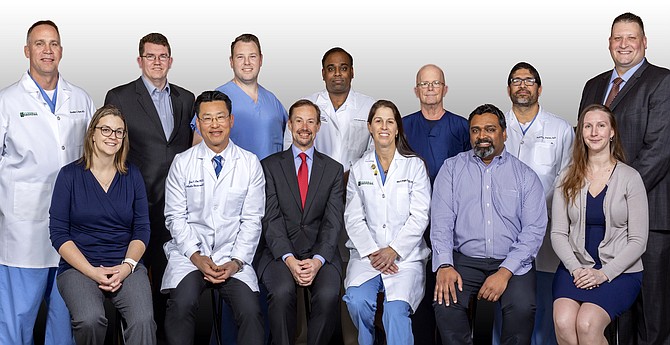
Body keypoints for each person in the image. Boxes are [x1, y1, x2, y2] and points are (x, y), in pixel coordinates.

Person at [0, 20, 95, 345]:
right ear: (27, 51)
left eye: (53, 43)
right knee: (18, 318)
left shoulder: (81, 98)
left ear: (61, 51)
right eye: (39, 44)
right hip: (23, 229)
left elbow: (98, 161)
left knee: (66, 317)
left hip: (73, 229)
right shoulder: (8, 101)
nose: (47, 50)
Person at [578, 12, 670, 344]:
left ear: (644, 43)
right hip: (603, 222)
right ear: (609, 44)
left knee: (653, 314)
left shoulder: (662, 81)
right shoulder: (593, 86)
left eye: (631, 38)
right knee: (617, 312)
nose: (624, 44)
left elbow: (659, 150)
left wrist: (614, 195)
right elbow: (583, 145)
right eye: (618, 38)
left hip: (650, 214)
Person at [104, 33, 195, 342]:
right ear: (140, 60)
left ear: (170, 60)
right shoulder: (120, 97)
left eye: (163, 56)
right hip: (136, 205)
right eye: (150, 56)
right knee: (133, 280)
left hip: (177, 206)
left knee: (171, 280)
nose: (157, 62)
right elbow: (110, 150)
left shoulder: (186, 98)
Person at [431, 104, 547, 345]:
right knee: (445, 303)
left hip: (513, 262)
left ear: (504, 134)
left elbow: (534, 231)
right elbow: (441, 222)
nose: (482, 136)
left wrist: (504, 273)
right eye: (475, 130)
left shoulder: (525, 175)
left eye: (490, 129)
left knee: (522, 309)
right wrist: (444, 264)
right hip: (465, 260)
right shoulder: (451, 169)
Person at [161, 90, 265, 345]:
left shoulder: (250, 164)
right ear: (197, 123)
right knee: (181, 305)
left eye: (220, 117)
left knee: (251, 312)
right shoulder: (182, 162)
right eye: (207, 118)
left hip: (232, 255)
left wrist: (236, 261)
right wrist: (196, 256)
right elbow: (175, 217)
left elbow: (252, 220)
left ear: (231, 120)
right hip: (190, 255)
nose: (214, 125)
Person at [49, 105, 156, 345]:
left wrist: (127, 267)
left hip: (125, 265)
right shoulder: (69, 176)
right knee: (90, 319)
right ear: (92, 134)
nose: (113, 136)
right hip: (79, 267)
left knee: (143, 320)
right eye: (106, 129)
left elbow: (142, 229)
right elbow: (58, 234)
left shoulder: (133, 176)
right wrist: (92, 271)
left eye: (119, 132)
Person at [551, 104, 648, 345]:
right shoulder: (566, 176)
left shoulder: (630, 178)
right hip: (575, 268)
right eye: (588, 126)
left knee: (587, 324)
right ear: (581, 132)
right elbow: (558, 233)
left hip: (619, 272)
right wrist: (576, 269)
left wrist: (603, 274)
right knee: (564, 322)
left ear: (612, 132)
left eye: (601, 125)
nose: (594, 132)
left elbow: (638, 241)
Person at [495, 62, 574, 345]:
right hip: (502, 232)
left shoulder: (560, 129)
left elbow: (567, 182)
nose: (523, 85)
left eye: (529, 80)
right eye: (516, 80)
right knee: (503, 303)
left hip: (546, 232)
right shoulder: (495, 126)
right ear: (508, 89)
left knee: (543, 303)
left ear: (539, 88)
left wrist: (538, 217)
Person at [255, 99, 344, 345]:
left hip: (320, 252)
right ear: (290, 125)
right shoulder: (269, 166)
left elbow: (333, 221)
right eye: (298, 121)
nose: (304, 127)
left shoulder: (334, 170)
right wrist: (289, 259)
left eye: (310, 121)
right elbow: (270, 218)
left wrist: (317, 261)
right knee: (282, 293)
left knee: (328, 295)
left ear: (318, 127)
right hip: (279, 253)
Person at [343, 100, 431, 345]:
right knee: (358, 301)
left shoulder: (414, 166)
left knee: (395, 311)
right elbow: (353, 216)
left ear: (397, 128)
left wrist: (394, 250)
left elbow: (420, 215)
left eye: (390, 121)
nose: (384, 126)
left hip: (405, 257)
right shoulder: (358, 169)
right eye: (378, 121)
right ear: (370, 126)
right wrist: (373, 252)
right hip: (367, 256)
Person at [402, 63, 470, 344]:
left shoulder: (462, 127)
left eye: (435, 83)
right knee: (417, 287)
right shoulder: (403, 126)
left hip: (452, 222)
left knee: (447, 290)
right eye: (424, 84)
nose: (430, 89)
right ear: (416, 90)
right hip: (411, 220)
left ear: (445, 88)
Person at [193, 33, 287, 160]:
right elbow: (198, 146)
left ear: (261, 60)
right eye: (240, 57)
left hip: (272, 178)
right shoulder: (216, 100)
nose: (247, 62)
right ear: (231, 62)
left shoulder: (273, 101)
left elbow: (290, 139)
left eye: (252, 56)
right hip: (232, 177)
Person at [283, 47, 375, 174]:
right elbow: (290, 146)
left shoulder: (369, 106)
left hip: (357, 180)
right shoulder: (305, 105)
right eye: (331, 69)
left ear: (352, 72)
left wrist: (354, 174)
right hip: (313, 181)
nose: (337, 73)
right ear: (323, 73)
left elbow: (376, 150)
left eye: (343, 68)